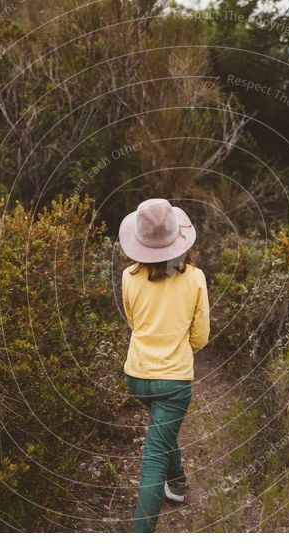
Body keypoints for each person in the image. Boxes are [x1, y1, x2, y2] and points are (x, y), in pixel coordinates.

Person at [118, 198, 210, 533]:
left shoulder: (129, 276)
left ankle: (179, 482)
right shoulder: (195, 278)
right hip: (174, 381)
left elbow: (134, 323)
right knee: (153, 455)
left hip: (137, 376)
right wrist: (180, 349)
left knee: (161, 430)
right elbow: (200, 336)